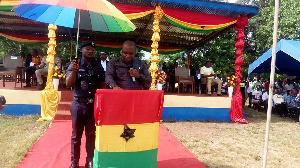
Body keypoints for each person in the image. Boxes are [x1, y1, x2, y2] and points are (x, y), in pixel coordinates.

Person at [66, 41, 105, 168]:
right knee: (76, 135)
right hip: (78, 105)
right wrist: (74, 71)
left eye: (93, 49)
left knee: (90, 135)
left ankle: (90, 161)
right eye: (88, 49)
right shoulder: (74, 65)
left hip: (92, 106)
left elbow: (102, 86)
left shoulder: (98, 67)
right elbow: (68, 84)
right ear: (81, 50)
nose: (91, 51)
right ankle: (74, 161)